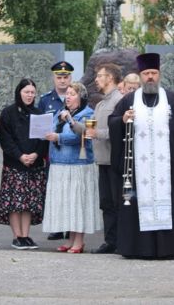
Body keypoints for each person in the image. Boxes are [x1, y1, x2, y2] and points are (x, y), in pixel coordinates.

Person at [109, 53, 174, 259]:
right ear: (140, 75)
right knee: (136, 203)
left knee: (168, 201)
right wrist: (122, 120)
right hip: (137, 169)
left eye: (154, 73)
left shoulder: (172, 99)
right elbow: (113, 122)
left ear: (159, 74)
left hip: (167, 169)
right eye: (146, 73)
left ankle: (169, 247)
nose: (150, 77)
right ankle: (137, 247)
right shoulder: (129, 100)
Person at [42, 82, 101, 253]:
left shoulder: (89, 113)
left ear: (81, 97)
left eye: (72, 94)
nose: (68, 97)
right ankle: (69, 240)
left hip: (78, 165)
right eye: (67, 93)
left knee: (77, 203)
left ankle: (79, 241)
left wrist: (59, 134)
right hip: (59, 164)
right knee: (67, 204)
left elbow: (82, 136)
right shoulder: (59, 113)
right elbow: (50, 130)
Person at [0, 79, 48, 250]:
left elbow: (44, 139)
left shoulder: (39, 113)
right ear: (19, 92)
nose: (30, 95)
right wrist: (20, 156)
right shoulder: (8, 113)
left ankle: (25, 236)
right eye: (27, 92)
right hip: (15, 165)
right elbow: (6, 140)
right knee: (15, 203)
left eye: (32, 92)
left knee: (28, 203)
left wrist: (35, 154)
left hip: (34, 165)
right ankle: (16, 236)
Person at [86, 63, 123, 254]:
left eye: (100, 76)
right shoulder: (101, 103)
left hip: (114, 161)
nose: (96, 79)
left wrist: (97, 133)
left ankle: (121, 241)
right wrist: (70, 122)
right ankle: (110, 241)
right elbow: (90, 130)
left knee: (118, 203)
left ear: (109, 78)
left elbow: (119, 130)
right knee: (106, 203)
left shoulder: (119, 101)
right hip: (102, 160)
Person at [38, 60, 73, 241]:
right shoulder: (45, 100)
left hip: (72, 153)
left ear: (70, 78)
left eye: (65, 77)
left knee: (70, 191)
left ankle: (70, 227)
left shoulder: (76, 97)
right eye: (59, 77)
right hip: (52, 153)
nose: (62, 80)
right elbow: (39, 128)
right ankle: (58, 227)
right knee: (54, 191)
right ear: (54, 78)